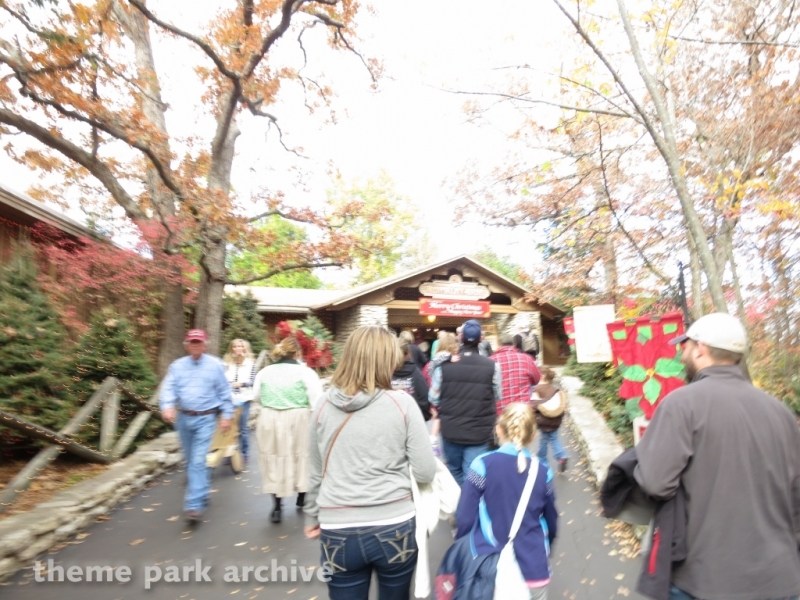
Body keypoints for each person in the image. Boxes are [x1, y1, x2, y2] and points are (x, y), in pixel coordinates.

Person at [634, 312, 800, 600]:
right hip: (779, 579)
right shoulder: (781, 412)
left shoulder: (681, 405)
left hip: (706, 579)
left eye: (684, 346)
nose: (680, 353)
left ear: (700, 348)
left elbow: (656, 482)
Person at [304, 325, 436, 600]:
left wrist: (312, 516)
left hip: (337, 526)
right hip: (395, 523)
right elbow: (425, 471)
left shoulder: (322, 405)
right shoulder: (403, 404)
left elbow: (316, 471)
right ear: (387, 360)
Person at [454, 402, 557, 599]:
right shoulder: (544, 472)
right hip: (534, 569)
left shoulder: (481, 465)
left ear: (498, 429)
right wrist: (545, 548)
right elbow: (551, 521)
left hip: (487, 566)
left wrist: (463, 551)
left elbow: (465, 518)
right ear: (534, 435)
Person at [160, 329, 234, 523]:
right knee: (190, 460)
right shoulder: (177, 366)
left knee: (198, 461)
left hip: (206, 418)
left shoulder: (215, 366)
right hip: (184, 419)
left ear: (204, 345)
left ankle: (194, 505)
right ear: (187, 345)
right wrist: (167, 405)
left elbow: (225, 391)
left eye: (198, 342)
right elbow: (168, 388)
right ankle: (201, 491)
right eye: (192, 342)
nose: (195, 345)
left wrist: (226, 415)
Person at [252, 335, 322, 524]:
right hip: (298, 418)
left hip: (270, 418)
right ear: (298, 352)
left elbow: (257, 396)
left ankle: (277, 506)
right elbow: (316, 400)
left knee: (274, 458)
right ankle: (302, 495)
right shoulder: (306, 373)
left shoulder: (264, 372)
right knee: (301, 457)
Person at [429, 319, 502, 486]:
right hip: (479, 430)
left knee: (454, 470)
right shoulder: (492, 366)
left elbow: (433, 398)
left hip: (451, 430)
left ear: (460, 338)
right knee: (473, 472)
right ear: (481, 339)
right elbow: (497, 395)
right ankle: (470, 507)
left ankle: (460, 507)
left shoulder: (445, 366)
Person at [222, 338, 258, 463]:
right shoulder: (227, 364)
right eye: (235, 346)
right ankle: (229, 452)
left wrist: (241, 384)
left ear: (245, 348)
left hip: (244, 398)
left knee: (242, 427)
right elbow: (222, 379)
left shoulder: (250, 364)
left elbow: (253, 381)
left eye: (240, 346)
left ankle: (244, 452)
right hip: (229, 398)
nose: (238, 349)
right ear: (232, 348)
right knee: (230, 426)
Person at [491, 332, 541, 414]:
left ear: (498, 344)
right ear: (514, 344)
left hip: (501, 413)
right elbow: (537, 379)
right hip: (523, 412)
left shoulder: (490, 361)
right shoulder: (527, 359)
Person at [531, 368, 568, 473]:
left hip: (543, 420)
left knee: (543, 440)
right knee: (554, 439)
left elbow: (534, 404)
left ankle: (542, 461)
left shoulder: (537, 389)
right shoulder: (554, 389)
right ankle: (562, 455)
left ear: (542, 376)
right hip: (555, 420)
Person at [392, 335, 432, 420]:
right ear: (408, 354)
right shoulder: (416, 372)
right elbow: (424, 399)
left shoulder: (384, 373)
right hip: (413, 420)